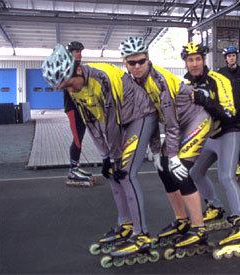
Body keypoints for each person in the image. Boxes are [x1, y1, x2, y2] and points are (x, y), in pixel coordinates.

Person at [42, 44, 159, 262]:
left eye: (67, 85)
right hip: (121, 121)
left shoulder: (101, 78)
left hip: (141, 116)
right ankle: (125, 224)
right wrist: (105, 157)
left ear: (76, 71)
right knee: (112, 172)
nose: (68, 90)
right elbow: (93, 123)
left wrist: (114, 157)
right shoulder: (76, 90)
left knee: (125, 172)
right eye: (63, 88)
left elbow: (112, 123)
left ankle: (141, 234)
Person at [119, 37, 212, 255]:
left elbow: (170, 123)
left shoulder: (159, 81)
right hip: (178, 125)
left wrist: (171, 155)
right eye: (132, 63)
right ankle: (182, 221)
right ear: (125, 63)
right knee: (163, 171)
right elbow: (148, 118)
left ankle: (199, 229)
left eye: (141, 61)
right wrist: (155, 151)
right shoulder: (134, 82)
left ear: (148, 58)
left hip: (195, 120)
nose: (137, 66)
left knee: (179, 171)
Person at [187, 43, 240, 257]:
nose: (194, 63)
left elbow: (228, 113)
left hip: (230, 130)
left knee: (226, 177)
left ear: (204, 60)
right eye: (190, 60)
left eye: (197, 59)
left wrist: (207, 102)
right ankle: (215, 206)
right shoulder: (188, 83)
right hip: (210, 135)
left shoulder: (219, 79)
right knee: (195, 172)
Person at [216, 46, 240, 183]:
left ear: (236, 57)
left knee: (237, 142)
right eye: (229, 56)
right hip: (226, 113)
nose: (231, 58)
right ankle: (229, 168)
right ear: (225, 58)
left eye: (233, 55)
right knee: (226, 142)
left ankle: (235, 169)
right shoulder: (221, 73)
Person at [63, 41, 95, 187]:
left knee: (80, 138)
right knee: (76, 138)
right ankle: (72, 170)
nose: (79, 54)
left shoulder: (79, 68)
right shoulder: (67, 68)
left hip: (81, 107)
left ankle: (75, 167)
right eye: (76, 51)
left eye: (80, 51)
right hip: (72, 107)